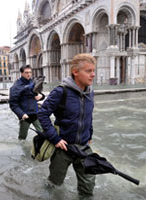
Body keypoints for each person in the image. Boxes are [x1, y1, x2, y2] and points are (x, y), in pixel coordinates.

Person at [37, 54, 96, 196]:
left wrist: (90, 134)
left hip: (83, 146)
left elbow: (89, 115)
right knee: (54, 184)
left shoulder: (90, 93)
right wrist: (55, 139)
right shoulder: (60, 92)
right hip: (63, 147)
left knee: (88, 188)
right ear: (75, 72)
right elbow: (43, 114)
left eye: (94, 71)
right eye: (88, 71)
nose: (93, 75)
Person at [9, 65, 44, 140]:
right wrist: (21, 114)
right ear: (21, 73)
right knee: (22, 138)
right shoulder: (16, 86)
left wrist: (41, 96)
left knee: (43, 134)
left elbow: (39, 94)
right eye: (26, 72)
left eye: (30, 72)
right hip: (25, 116)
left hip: (36, 113)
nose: (29, 74)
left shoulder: (33, 82)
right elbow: (13, 104)